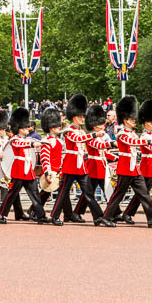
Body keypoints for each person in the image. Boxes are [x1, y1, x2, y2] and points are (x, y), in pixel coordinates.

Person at [103, 95, 152, 228]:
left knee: (144, 194)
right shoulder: (122, 134)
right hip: (125, 168)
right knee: (118, 194)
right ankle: (107, 216)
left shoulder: (132, 133)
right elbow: (133, 143)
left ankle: (151, 217)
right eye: (131, 118)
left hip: (134, 169)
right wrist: (149, 141)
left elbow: (137, 141)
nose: (134, 120)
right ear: (125, 120)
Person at [50, 94, 113, 227]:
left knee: (89, 192)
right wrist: (94, 134)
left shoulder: (82, 131)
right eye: (80, 116)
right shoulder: (69, 130)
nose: (82, 119)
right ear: (74, 117)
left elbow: (91, 143)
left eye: (83, 116)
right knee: (63, 192)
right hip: (70, 164)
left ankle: (98, 217)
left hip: (81, 166)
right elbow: (77, 140)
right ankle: (54, 215)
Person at [0, 107, 50, 224]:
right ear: (19, 128)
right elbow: (23, 144)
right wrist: (35, 144)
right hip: (19, 169)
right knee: (12, 194)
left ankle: (41, 215)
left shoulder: (27, 138)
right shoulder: (15, 139)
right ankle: (0, 214)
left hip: (28, 170)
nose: (28, 128)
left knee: (35, 194)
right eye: (25, 126)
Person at [73, 104, 118, 221]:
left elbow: (103, 152)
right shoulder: (90, 137)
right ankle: (77, 212)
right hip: (93, 167)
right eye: (101, 124)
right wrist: (111, 144)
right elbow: (98, 146)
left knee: (107, 190)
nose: (103, 126)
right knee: (89, 194)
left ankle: (115, 212)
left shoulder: (101, 136)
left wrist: (115, 158)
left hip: (101, 167)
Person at [34, 108, 75, 221]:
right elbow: (45, 158)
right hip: (50, 171)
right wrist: (47, 172)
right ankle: (34, 210)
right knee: (46, 193)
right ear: (51, 127)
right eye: (57, 126)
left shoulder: (59, 141)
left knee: (62, 193)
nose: (60, 127)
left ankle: (68, 214)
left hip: (58, 171)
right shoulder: (47, 140)